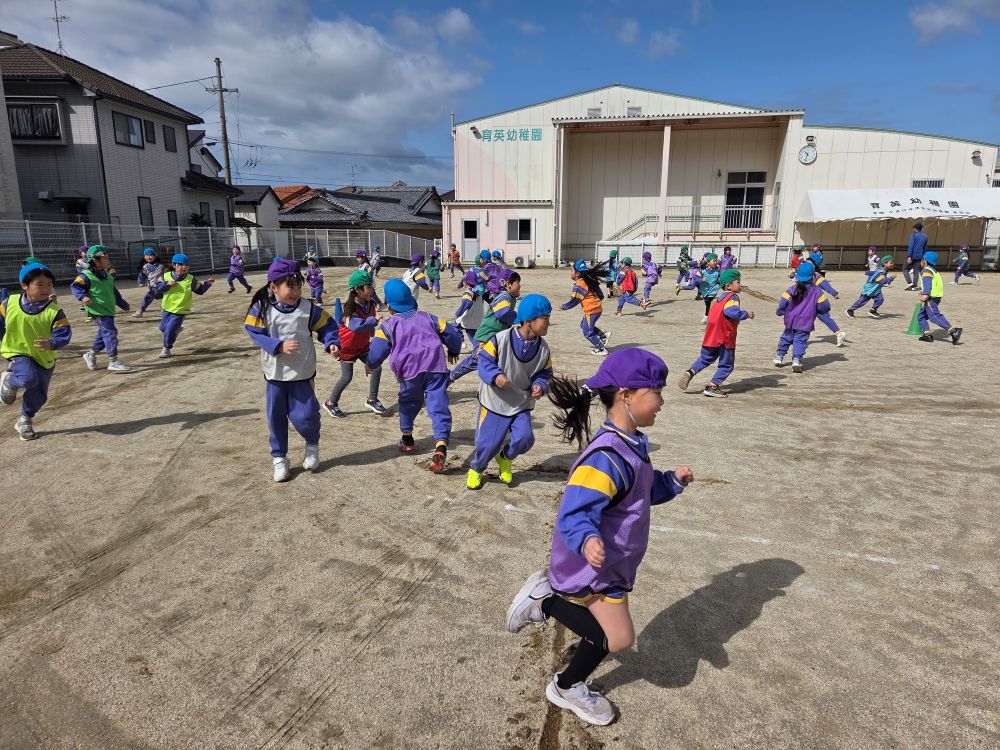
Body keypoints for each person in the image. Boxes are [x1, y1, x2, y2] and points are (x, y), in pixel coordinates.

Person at [505, 348, 693, 726]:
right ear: (626, 395)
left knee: (608, 634)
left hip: (613, 564)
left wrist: (670, 482)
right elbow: (574, 512)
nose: (661, 402)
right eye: (656, 392)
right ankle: (550, 621)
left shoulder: (631, 443)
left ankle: (568, 666)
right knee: (617, 639)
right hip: (595, 567)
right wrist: (587, 538)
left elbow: (638, 491)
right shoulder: (605, 457)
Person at [245, 258, 340, 482]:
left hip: (302, 374)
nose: (296, 292)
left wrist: (331, 342)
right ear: (274, 286)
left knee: (306, 416)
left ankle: (312, 445)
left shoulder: (308, 309)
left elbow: (327, 326)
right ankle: (279, 458)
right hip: (275, 376)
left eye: (299, 286)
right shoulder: (261, 308)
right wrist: (277, 345)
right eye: (291, 287)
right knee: (275, 418)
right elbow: (253, 331)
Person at [367, 279, 463, 472]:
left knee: (408, 402)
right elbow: (451, 333)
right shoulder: (429, 317)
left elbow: (377, 352)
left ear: (389, 306)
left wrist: (370, 364)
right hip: (435, 369)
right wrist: (453, 349)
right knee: (438, 405)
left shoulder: (387, 326)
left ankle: (407, 437)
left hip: (409, 373)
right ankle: (441, 444)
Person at [467, 294, 553, 490]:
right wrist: (495, 375)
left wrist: (540, 385)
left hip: (520, 402)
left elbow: (545, 372)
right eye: (545, 318)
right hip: (495, 401)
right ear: (529, 320)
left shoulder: (543, 349)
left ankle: (505, 457)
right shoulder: (500, 339)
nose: (548, 323)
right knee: (487, 445)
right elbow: (484, 362)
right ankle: (476, 469)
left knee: (525, 439)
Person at [0, 263, 73, 440]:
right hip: (17, 351)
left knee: (40, 395)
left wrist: (52, 343)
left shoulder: (55, 311)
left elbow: (64, 334)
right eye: (40, 284)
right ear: (24, 285)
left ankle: (24, 419)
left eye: (49, 284)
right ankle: (9, 380)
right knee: (28, 378)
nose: (46, 289)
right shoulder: (9, 303)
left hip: (43, 356)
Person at [677, 269, 753, 397]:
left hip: (711, 337)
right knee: (726, 365)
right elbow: (731, 312)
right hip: (725, 338)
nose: (740, 284)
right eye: (738, 282)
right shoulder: (732, 297)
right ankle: (712, 387)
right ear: (728, 286)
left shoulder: (719, 299)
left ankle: (691, 372)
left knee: (705, 359)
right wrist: (746, 314)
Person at [323, 269, 388, 418]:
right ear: (358, 290)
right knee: (346, 377)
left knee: (376, 368)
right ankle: (330, 402)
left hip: (363, 346)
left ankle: (372, 399)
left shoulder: (370, 304)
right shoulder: (349, 309)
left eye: (372, 286)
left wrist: (371, 331)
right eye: (369, 286)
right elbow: (357, 326)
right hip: (347, 349)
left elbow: (368, 324)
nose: (372, 289)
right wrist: (374, 320)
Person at [449, 270, 521, 383]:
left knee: (496, 362)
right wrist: (517, 317)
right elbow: (501, 314)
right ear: (508, 284)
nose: (520, 285)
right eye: (518, 282)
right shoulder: (504, 297)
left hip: (494, 337)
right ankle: (449, 378)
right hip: (486, 337)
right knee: (474, 361)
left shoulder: (509, 297)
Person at [71, 245, 132, 373]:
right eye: (105, 258)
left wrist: (123, 304)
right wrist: (83, 297)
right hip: (97, 310)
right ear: (95, 259)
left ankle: (91, 354)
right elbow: (75, 286)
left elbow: (113, 292)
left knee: (104, 334)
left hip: (108, 310)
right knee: (110, 333)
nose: (107, 260)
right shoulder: (85, 275)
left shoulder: (107, 276)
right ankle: (113, 361)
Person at [151, 253, 215, 358]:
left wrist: (207, 284)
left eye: (186, 265)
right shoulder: (165, 276)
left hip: (181, 310)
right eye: (181, 265)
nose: (184, 267)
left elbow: (200, 290)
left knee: (169, 330)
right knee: (163, 328)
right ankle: (175, 330)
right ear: (174, 265)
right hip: (167, 308)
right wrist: (167, 284)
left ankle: (166, 348)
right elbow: (157, 287)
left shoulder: (191, 279)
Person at [774, 263, 831, 373]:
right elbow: (825, 306)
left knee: (786, 338)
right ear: (812, 277)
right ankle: (796, 360)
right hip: (806, 321)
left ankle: (779, 356)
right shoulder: (818, 291)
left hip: (790, 320)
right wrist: (820, 311)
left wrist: (780, 312)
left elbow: (783, 303)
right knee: (800, 341)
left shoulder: (791, 289)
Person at [562, 260, 611, 356]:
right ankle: (603, 335)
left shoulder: (579, 285)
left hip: (592, 311)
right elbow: (600, 294)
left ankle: (601, 349)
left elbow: (575, 300)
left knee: (587, 332)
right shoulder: (587, 280)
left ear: (577, 274)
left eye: (571, 271)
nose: (570, 273)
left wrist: (564, 307)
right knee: (583, 325)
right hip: (596, 309)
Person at [916, 251, 962, 344]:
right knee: (921, 317)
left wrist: (925, 295)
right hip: (935, 297)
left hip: (931, 298)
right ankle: (927, 334)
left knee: (934, 316)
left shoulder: (926, 271)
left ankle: (953, 331)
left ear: (924, 260)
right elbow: (933, 284)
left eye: (921, 259)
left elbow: (927, 284)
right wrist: (923, 292)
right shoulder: (933, 271)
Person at [804, 252, 847, 347]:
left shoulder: (817, 276)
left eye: (809, 263)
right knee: (819, 317)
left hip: (817, 302)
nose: (807, 265)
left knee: (809, 318)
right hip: (810, 302)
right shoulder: (805, 274)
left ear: (814, 266)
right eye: (806, 263)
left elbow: (826, 286)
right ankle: (839, 333)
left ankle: (801, 338)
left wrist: (834, 293)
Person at [682, 253, 720, 324]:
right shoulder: (702, 271)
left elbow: (721, 279)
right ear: (708, 262)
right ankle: (707, 315)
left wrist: (720, 282)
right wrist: (701, 280)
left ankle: (707, 316)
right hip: (704, 290)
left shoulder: (717, 272)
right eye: (714, 261)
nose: (715, 262)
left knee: (708, 301)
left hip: (713, 290)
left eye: (716, 261)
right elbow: (696, 279)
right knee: (707, 303)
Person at [454, 269, 486, 350]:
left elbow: (467, 303)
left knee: (455, 327)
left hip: (468, 317)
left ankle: (461, 342)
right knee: (473, 336)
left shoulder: (468, 293)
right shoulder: (478, 292)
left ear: (465, 282)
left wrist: (458, 313)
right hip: (477, 318)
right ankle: (479, 349)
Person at [133, 248, 166, 318]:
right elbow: (142, 275)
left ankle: (164, 310)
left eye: (150, 255)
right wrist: (141, 282)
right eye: (146, 255)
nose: (148, 257)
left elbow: (167, 273)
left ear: (155, 256)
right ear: (144, 257)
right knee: (149, 298)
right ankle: (141, 311)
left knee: (166, 297)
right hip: (153, 287)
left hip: (161, 286)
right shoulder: (145, 267)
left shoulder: (161, 266)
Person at [904, 223, 927, 290]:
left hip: (912, 255)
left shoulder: (913, 235)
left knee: (904, 269)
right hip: (920, 256)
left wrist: (909, 256)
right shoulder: (925, 236)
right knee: (916, 271)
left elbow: (911, 246)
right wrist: (923, 256)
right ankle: (914, 286)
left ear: (915, 228)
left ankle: (910, 283)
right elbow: (925, 248)